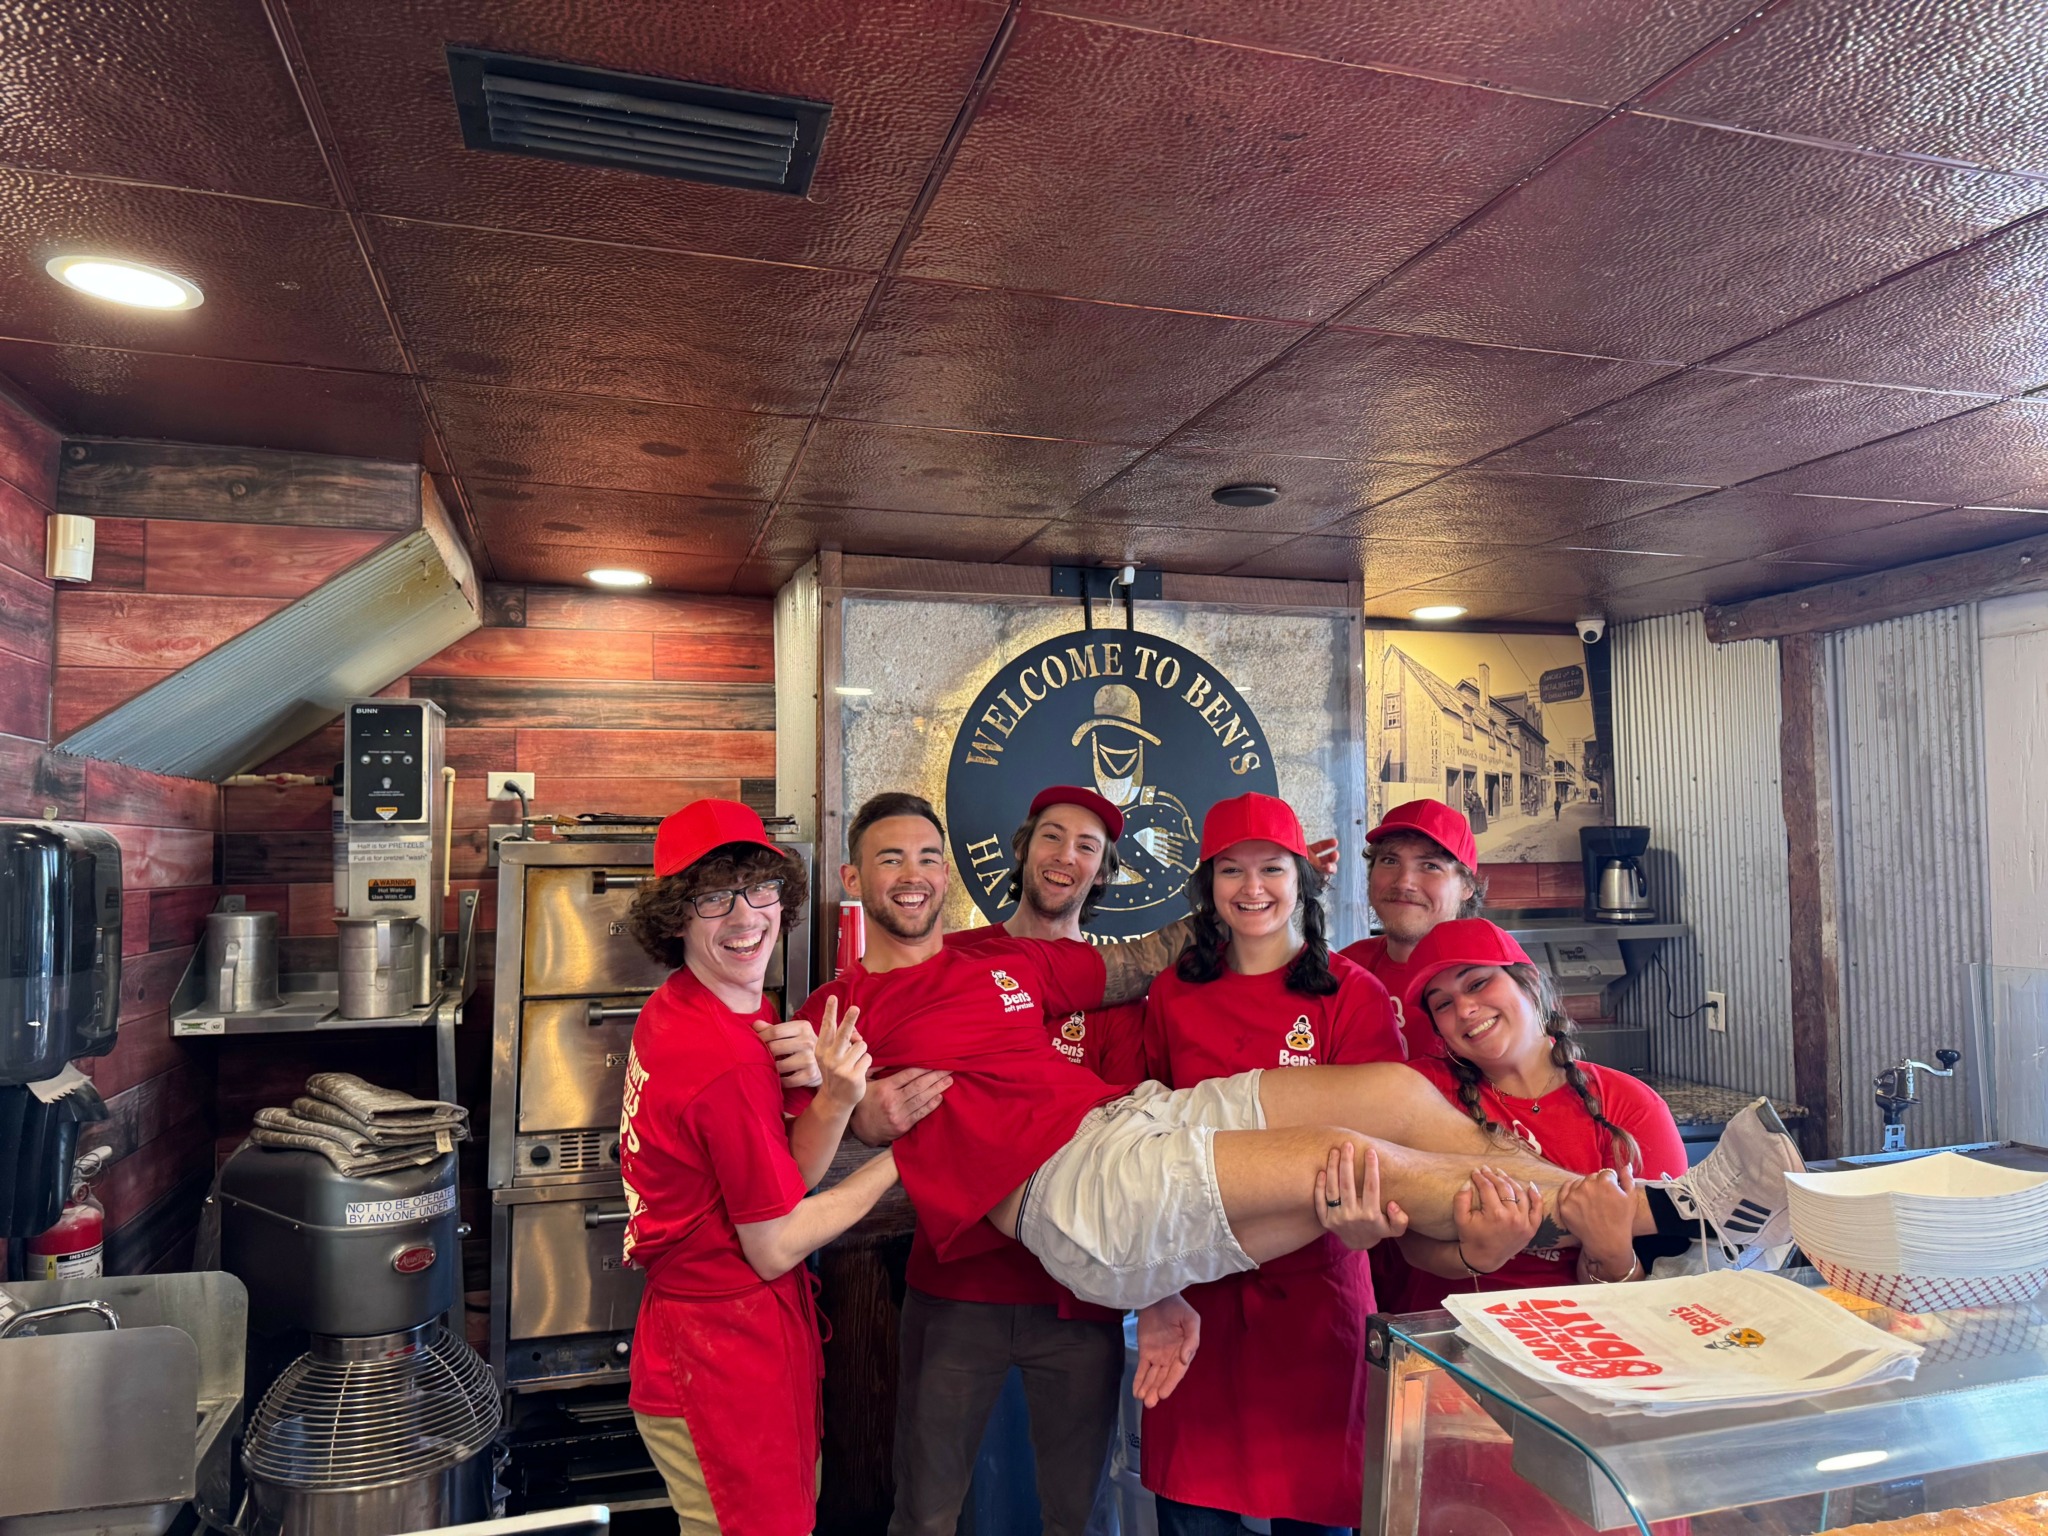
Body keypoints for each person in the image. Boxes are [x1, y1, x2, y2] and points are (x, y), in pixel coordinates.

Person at [795, 792, 1801, 1407]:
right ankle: (1670, 1223)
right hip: (1073, 1192)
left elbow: (1132, 959)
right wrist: (855, 1113)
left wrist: (1273, 889)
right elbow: (796, 1163)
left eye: (927, 856)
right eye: (891, 858)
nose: (915, 876)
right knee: (1342, 1153)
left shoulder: (1002, 964)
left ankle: (1661, 1217)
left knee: (1390, 1096)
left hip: (1126, 1130)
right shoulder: (831, 1011)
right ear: (854, 877)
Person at [619, 799, 900, 1536]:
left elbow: (784, 1182)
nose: (746, 916)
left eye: (759, 888)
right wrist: (900, 1161)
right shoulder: (720, 1055)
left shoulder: (702, 1007)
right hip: (720, 1353)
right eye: (713, 897)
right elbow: (774, 1242)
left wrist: (833, 1098)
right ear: (676, 917)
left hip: (728, 1337)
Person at [879, 785, 1147, 1536]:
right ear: (1022, 849)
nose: (1065, 856)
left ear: (1103, 871)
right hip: (957, 1284)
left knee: (1078, 1516)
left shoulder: (1119, 993)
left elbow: (1119, 1140)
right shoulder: (951, 960)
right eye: (1051, 837)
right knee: (925, 1512)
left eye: (1087, 847)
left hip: (1078, 1297)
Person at [1137, 793, 1405, 1536]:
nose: (1251, 888)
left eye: (1272, 869)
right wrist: (1155, 1291)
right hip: (1197, 1295)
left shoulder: (1352, 997)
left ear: (1302, 880)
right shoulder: (1173, 994)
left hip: (1316, 1298)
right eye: (1231, 870)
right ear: (1208, 885)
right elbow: (1142, 1146)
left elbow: (1381, 1146)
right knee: (1193, 1512)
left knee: (1316, 1511)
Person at [1389, 919, 1689, 1307]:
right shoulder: (1418, 1090)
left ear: (1529, 982)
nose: (1464, 1008)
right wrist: (1474, 1257)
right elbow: (1413, 1244)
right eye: (1442, 1004)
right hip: (1447, 1331)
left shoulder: (1631, 1105)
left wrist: (1611, 1254)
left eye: (1477, 983)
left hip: (1585, 1332)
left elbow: (1666, 1286)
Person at [1338, 799, 1484, 1057]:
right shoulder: (1344, 968)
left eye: (1431, 866)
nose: (1404, 882)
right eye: (1390, 861)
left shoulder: (1493, 983)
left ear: (1467, 887)